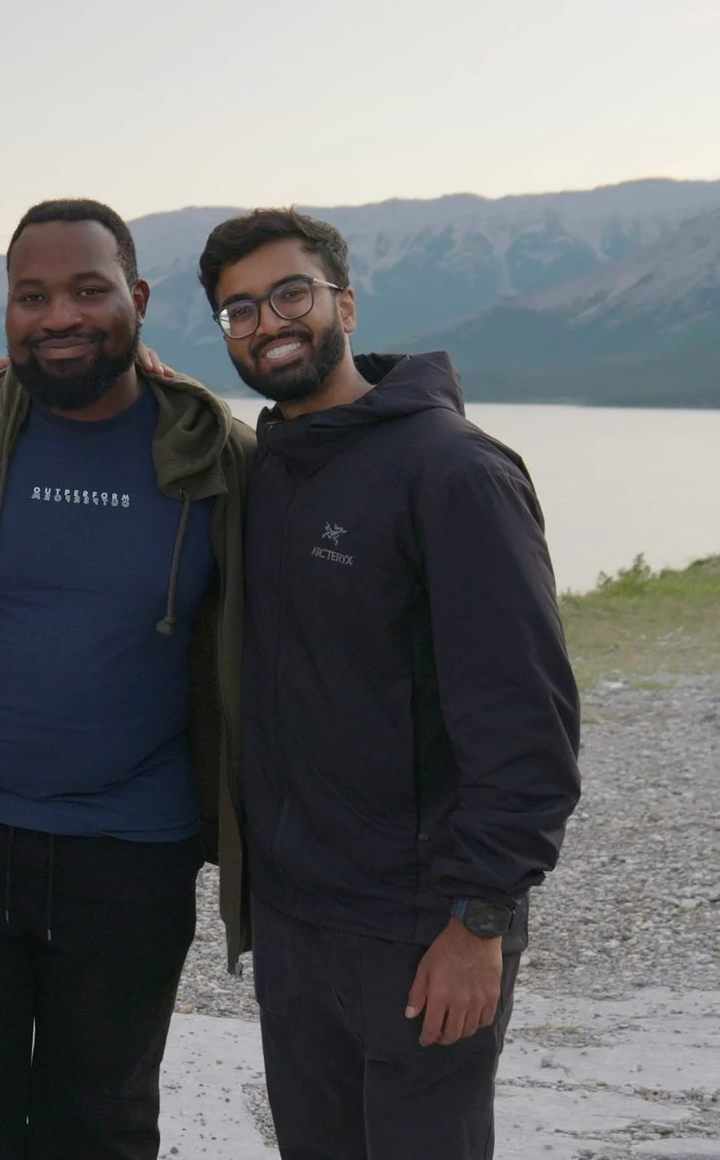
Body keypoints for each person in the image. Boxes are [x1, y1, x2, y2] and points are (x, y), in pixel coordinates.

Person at [0, 199, 255, 1158]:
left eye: (88, 289)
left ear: (139, 299)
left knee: (104, 1119)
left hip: (132, 852)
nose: (58, 315)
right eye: (31, 295)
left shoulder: (215, 454)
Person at [199, 207, 582, 1160]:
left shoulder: (452, 470)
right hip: (296, 922)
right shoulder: (272, 464)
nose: (269, 322)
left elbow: (527, 723)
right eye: (238, 311)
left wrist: (480, 922)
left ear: (346, 305)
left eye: (291, 294)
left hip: (419, 929)